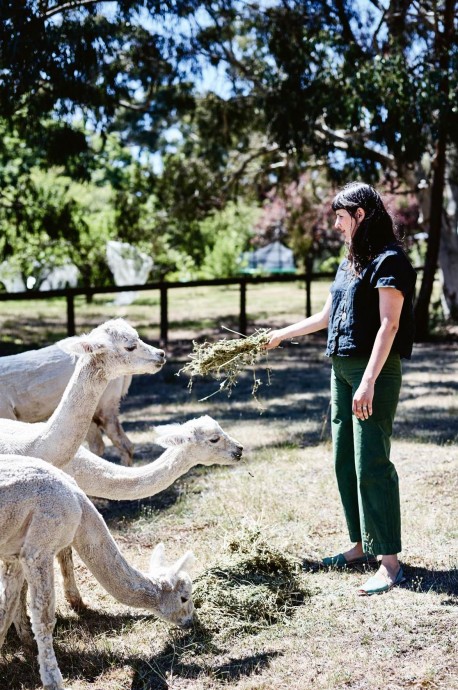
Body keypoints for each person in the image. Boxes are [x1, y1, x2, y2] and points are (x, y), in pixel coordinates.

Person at [266, 182, 417, 596]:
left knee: (371, 463)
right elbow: (325, 315)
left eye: (340, 216)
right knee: (343, 461)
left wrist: (367, 382)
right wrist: (280, 334)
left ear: (361, 215)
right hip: (341, 370)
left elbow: (389, 325)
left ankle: (389, 563)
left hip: (375, 373)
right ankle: (359, 546)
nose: (335, 224)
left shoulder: (390, 261)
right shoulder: (351, 261)